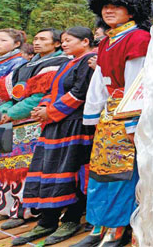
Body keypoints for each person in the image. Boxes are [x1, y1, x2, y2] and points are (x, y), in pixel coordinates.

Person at [72, 0, 151, 247]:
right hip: (108, 116)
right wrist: (93, 116)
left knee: (122, 174)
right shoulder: (107, 40)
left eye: (116, 6)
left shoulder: (138, 38)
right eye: (105, 6)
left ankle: (117, 230)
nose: (109, 11)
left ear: (131, 11)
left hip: (128, 116)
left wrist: (132, 122)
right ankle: (98, 226)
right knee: (99, 172)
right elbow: (99, 81)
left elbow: (136, 84)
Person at [12, 27, 97, 245]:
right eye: (64, 40)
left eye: (69, 40)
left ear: (85, 41)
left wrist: (50, 111)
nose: (65, 43)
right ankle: (47, 221)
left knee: (71, 171)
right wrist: (42, 107)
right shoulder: (68, 62)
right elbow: (52, 90)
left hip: (75, 125)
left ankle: (71, 219)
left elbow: (79, 93)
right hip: (56, 124)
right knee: (47, 169)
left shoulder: (88, 62)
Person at [0, 28, 70, 230]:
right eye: (36, 38)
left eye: (43, 39)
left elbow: (39, 97)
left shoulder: (57, 63)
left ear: (56, 43)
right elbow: (10, 94)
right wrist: (4, 111)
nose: (37, 42)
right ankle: (7, 208)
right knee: (7, 167)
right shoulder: (28, 64)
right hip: (11, 121)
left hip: (34, 122)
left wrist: (11, 113)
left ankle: (26, 211)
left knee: (26, 168)